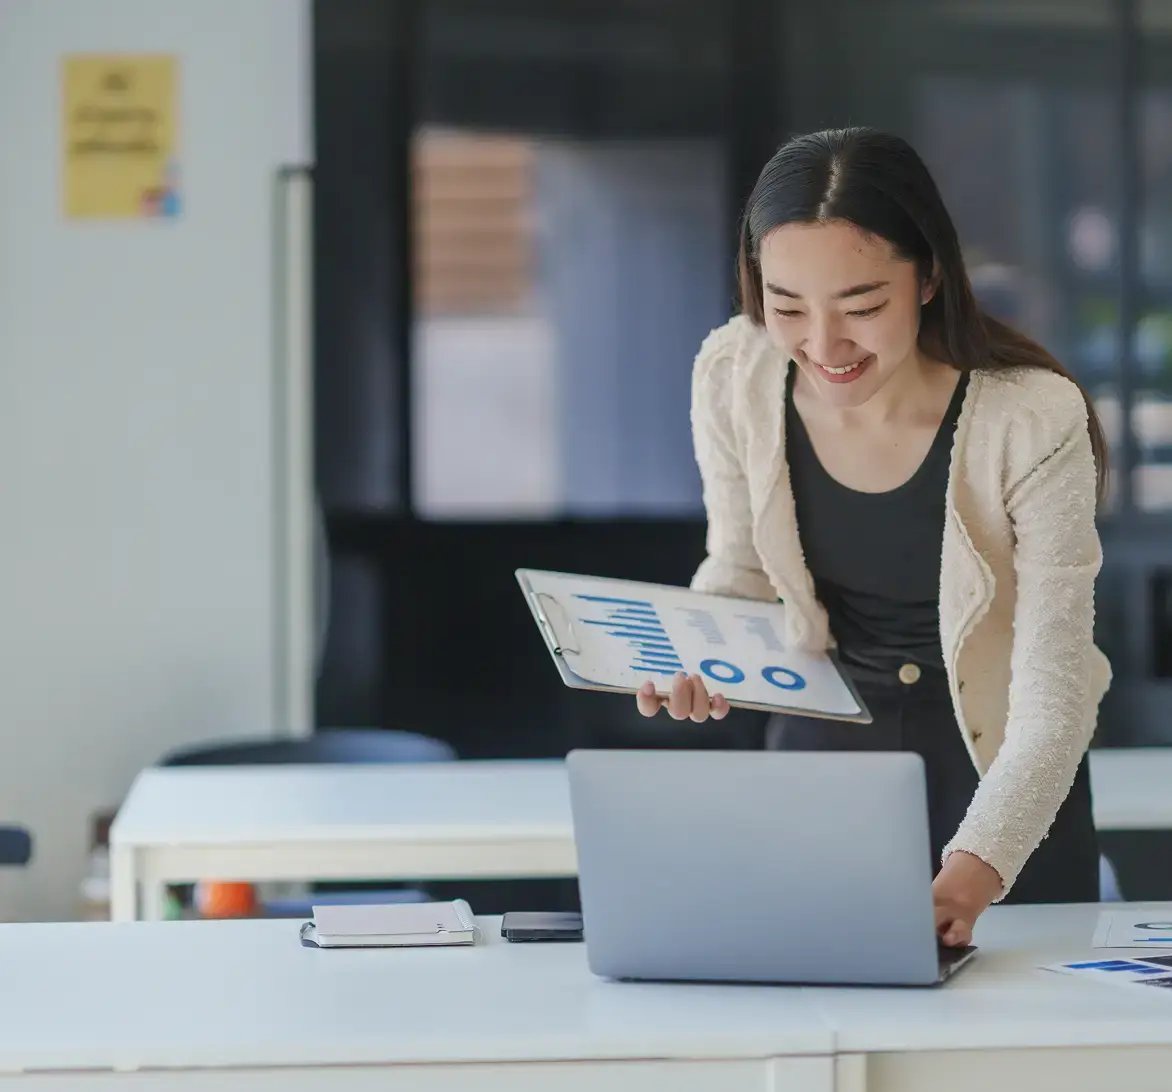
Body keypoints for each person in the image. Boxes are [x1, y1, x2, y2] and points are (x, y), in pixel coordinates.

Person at [635, 127, 1112, 948]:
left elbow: (1054, 695)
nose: (824, 347)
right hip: (823, 776)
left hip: (1008, 790)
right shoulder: (736, 372)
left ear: (929, 277)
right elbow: (742, 565)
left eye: (861, 307)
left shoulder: (1032, 418)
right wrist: (702, 651)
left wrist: (978, 867)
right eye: (787, 307)